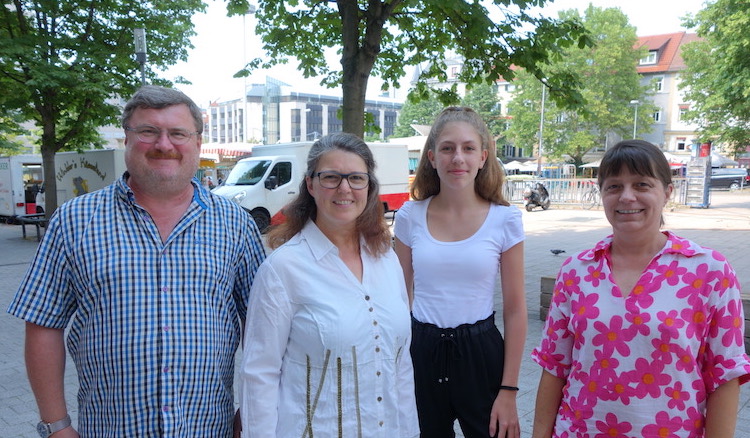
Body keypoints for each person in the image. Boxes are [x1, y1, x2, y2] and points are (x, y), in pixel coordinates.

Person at [7, 85, 266, 438]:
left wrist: (252, 411)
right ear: (126, 139)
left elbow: (264, 329)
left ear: (197, 143)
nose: (163, 144)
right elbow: (42, 324)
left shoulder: (236, 224)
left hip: (209, 429)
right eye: (148, 131)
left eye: (178, 133)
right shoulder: (74, 220)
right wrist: (56, 426)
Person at [531, 140, 750, 438]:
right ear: (602, 195)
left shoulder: (710, 271)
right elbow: (554, 366)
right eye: (614, 186)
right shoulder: (575, 271)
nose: (627, 196)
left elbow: (724, 376)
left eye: (642, 184)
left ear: (667, 193)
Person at [240, 132, 419, 438]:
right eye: (331, 177)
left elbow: (400, 366)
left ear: (369, 187)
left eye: (356, 178)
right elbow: (259, 375)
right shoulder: (283, 269)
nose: (345, 188)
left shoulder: (387, 261)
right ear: (310, 184)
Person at [393, 106, 527, 438]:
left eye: (468, 148)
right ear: (432, 157)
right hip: (421, 350)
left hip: (480, 354)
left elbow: (515, 309)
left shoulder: (504, 220)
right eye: (448, 148)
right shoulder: (410, 215)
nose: (458, 158)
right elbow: (395, 297)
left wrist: (509, 390)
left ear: (483, 157)